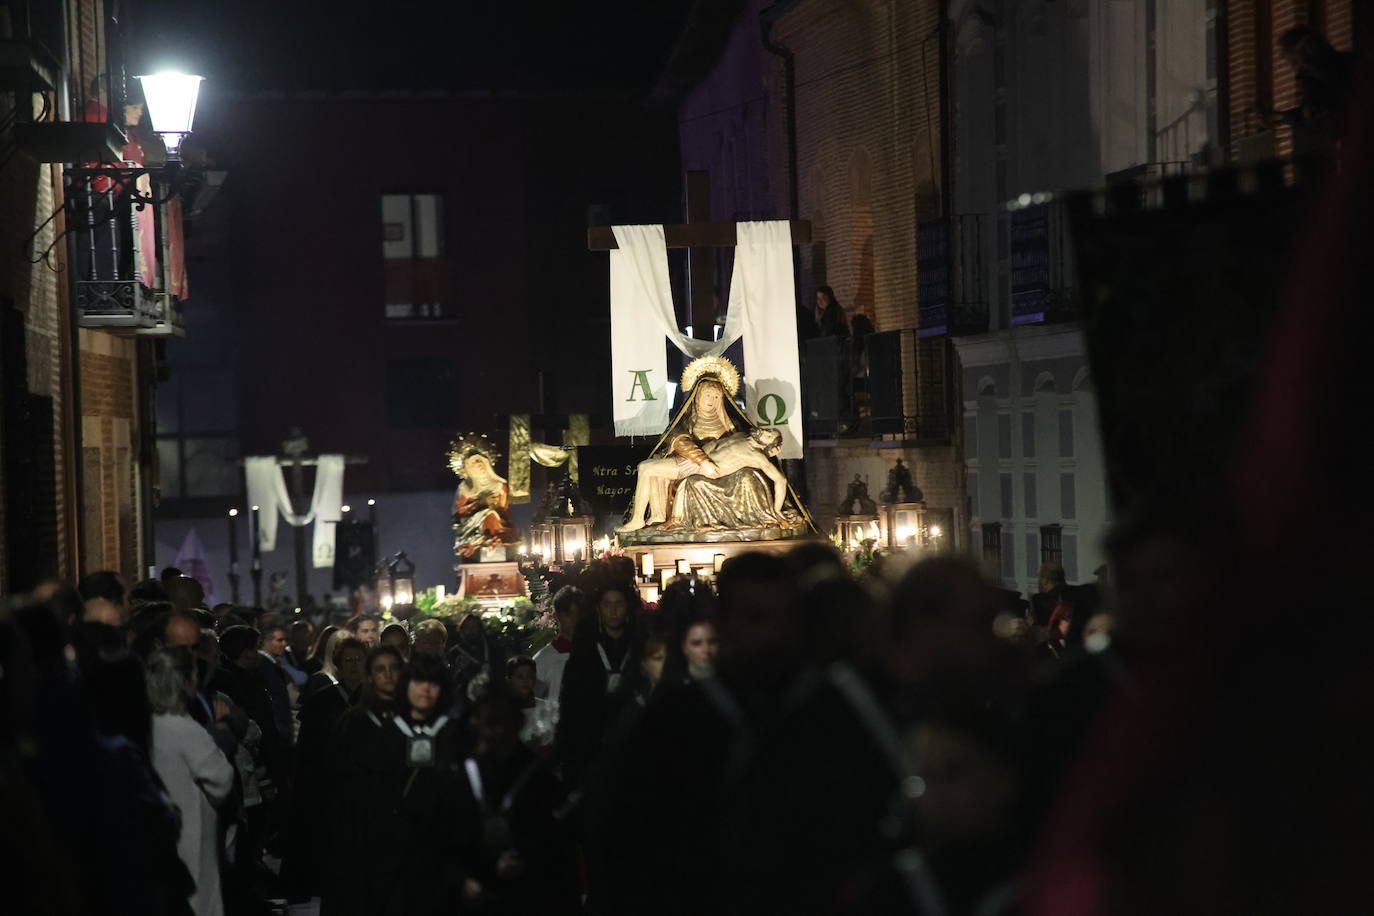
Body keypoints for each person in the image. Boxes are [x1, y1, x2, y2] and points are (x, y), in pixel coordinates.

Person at [330, 656, 470, 916]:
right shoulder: (359, 722)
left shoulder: (434, 723)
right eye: (380, 670)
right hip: (376, 828)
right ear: (369, 676)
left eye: (395, 668)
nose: (389, 675)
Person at [459, 686, 577, 913]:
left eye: (504, 722)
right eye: (491, 723)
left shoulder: (539, 779)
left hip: (530, 893)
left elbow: (557, 849)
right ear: (477, 724)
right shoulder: (465, 777)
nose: (498, 732)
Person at [146, 647, 236, 916]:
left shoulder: (145, 724)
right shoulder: (186, 729)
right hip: (191, 833)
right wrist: (222, 734)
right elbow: (220, 779)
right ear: (185, 682)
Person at [556, 581, 642, 791]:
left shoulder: (640, 648)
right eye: (607, 604)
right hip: (590, 747)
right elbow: (569, 702)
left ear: (627, 607)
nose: (613, 610)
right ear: (598, 609)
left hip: (633, 745)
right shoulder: (585, 650)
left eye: (619, 604)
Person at [451, 442, 517, 558]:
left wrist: (492, 509)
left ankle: (493, 540)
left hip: (498, 523)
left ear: (486, 462)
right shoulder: (466, 488)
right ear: (468, 467)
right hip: (472, 526)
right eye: (474, 462)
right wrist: (480, 503)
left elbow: (504, 510)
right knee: (487, 513)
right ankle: (483, 540)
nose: (478, 464)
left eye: (479, 460)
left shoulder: (500, 485)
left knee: (491, 515)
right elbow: (459, 512)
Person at [533, 586, 583, 704]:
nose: (574, 620)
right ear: (556, 616)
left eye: (578, 614)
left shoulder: (597, 651)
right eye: (568, 614)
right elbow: (534, 700)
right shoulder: (542, 659)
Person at [507, 655, 556, 751]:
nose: (525, 681)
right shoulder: (505, 710)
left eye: (530, 676)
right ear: (510, 680)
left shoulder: (546, 707)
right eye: (520, 676)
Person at [448, 611, 506, 690]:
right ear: (462, 629)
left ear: (480, 628)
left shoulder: (493, 648)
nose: (471, 630)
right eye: (467, 627)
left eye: (474, 627)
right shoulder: (455, 652)